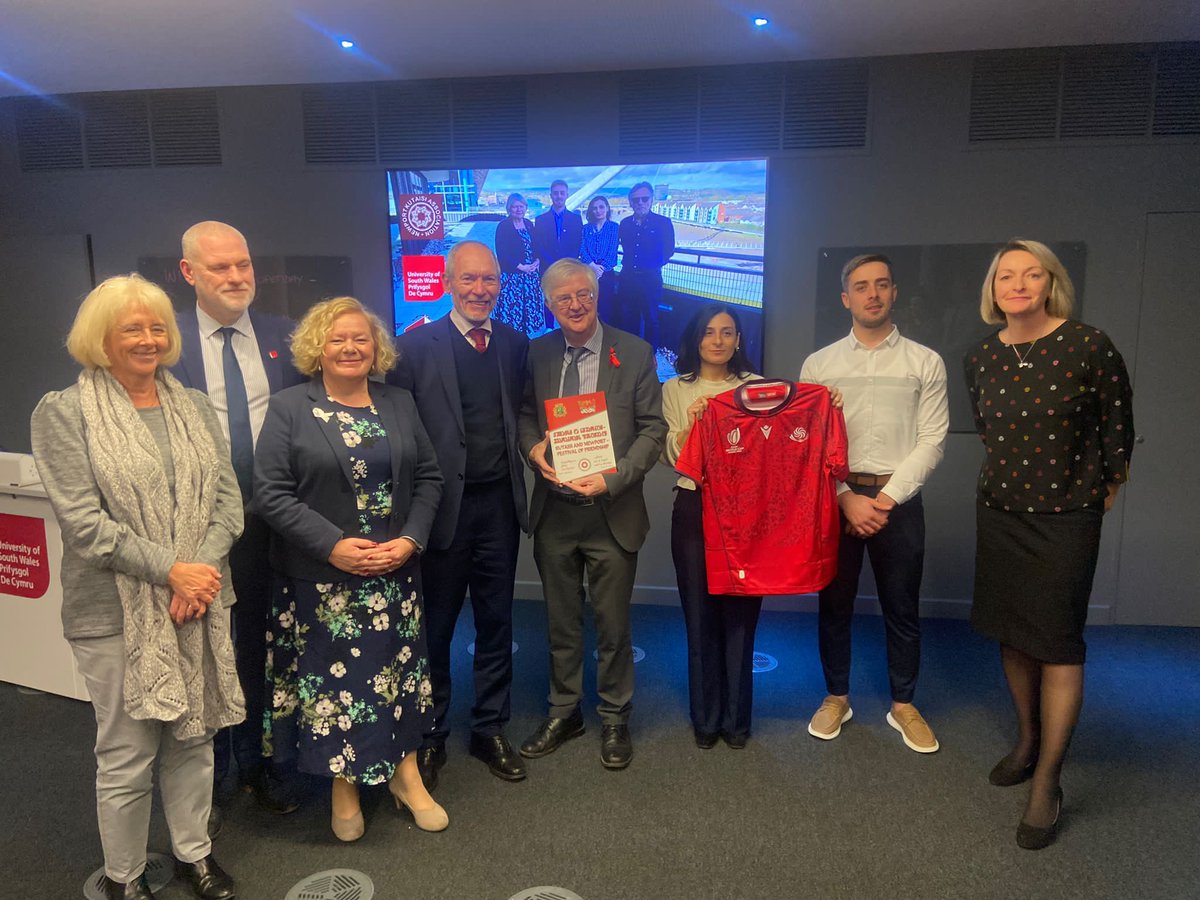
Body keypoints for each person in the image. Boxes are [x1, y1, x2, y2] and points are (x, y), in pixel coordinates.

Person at [31, 274, 242, 900]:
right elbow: (84, 523)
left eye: (157, 328)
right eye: (132, 329)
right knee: (127, 751)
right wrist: (170, 570)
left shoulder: (195, 405)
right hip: (112, 610)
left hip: (200, 598)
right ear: (101, 338)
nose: (148, 339)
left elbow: (228, 503)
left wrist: (196, 574)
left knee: (195, 735)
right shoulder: (64, 412)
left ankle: (193, 855)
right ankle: (124, 877)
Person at [254, 297, 446, 842]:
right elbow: (270, 492)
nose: (350, 347)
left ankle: (406, 775)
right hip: (323, 580)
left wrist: (410, 539)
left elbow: (430, 479)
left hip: (394, 572)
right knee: (340, 689)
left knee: (400, 678)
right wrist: (333, 545)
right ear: (318, 346)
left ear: (376, 347)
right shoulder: (291, 406)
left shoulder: (400, 401)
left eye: (361, 338)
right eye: (337, 338)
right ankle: (344, 786)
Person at [964, 239, 1133, 850]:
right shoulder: (981, 356)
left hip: (1066, 516)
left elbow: (1119, 428)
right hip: (1002, 512)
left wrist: (1100, 490)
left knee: (1058, 643)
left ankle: (1048, 779)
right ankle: (1028, 739)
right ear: (993, 289)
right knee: (1014, 632)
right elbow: (990, 430)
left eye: (1031, 273)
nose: (1018, 283)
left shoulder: (1089, 345)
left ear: (1050, 283)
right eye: (1005, 275)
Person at [174, 220, 305, 822]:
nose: (235, 277)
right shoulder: (165, 345)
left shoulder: (285, 338)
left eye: (243, 265)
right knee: (203, 651)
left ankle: (258, 762)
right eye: (221, 267)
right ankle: (213, 770)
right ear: (189, 274)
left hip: (270, 525)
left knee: (261, 647)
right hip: (193, 531)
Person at [389, 241, 530, 788]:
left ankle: (490, 728)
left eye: (489, 280)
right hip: (440, 510)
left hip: (498, 506)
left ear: (500, 283)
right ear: (448, 282)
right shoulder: (414, 347)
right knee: (436, 629)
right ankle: (430, 735)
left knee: (498, 624)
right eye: (468, 280)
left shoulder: (515, 344)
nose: (479, 290)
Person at [518, 258, 666, 770]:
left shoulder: (636, 351)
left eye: (583, 294)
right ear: (549, 304)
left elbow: (653, 430)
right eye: (564, 298)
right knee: (560, 623)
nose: (576, 305)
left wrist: (614, 477)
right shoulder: (535, 353)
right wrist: (532, 449)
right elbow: (521, 415)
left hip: (611, 510)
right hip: (555, 512)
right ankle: (565, 711)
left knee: (612, 626)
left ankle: (614, 717)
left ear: (597, 294)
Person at [800, 254, 949, 754]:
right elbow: (810, 443)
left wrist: (882, 501)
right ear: (846, 298)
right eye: (861, 286)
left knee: (902, 608)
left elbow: (932, 440)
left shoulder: (924, 362)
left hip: (898, 500)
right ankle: (836, 697)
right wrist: (846, 499)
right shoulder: (819, 365)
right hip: (835, 499)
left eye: (882, 284)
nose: (872, 294)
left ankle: (903, 704)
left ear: (894, 292)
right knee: (833, 605)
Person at [660, 304, 761, 749]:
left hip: (746, 512)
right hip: (695, 505)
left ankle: (737, 723)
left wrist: (828, 400)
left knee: (740, 618)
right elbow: (671, 453)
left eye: (727, 332)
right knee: (699, 616)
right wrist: (696, 424)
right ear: (695, 338)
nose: (717, 340)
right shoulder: (675, 389)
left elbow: (775, 445)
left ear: (739, 339)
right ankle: (706, 721)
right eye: (708, 332)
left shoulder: (758, 388)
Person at [617, 181, 675, 348]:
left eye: (644, 198)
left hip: (650, 280)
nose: (640, 203)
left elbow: (669, 250)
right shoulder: (625, 224)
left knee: (652, 318)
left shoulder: (663, 223)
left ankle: (650, 355)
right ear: (630, 202)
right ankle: (632, 351)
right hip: (627, 279)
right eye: (636, 200)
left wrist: (652, 265)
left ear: (651, 200)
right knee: (628, 317)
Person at [533, 179, 583, 328]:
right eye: (556, 193)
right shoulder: (540, 220)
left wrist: (565, 264)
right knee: (549, 299)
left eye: (562, 193)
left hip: (568, 269)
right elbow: (539, 245)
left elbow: (577, 243)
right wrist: (553, 264)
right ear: (551, 196)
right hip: (547, 268)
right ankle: (549, 329)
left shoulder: (576, 219)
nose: (559, 196)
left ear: (567, 195)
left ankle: (567, 327)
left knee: (568, 298)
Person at [493, 193, 543, 334]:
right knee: (512, 313)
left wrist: (537, 261)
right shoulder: (503, 226)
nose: (518, 209)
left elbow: (536, 245)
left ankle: (527, 339)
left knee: (529, 312)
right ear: (509, 208)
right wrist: (521, 267)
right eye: (514, 207)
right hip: (512, 277)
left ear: (525, 207)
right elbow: (502, 253)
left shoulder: (528, 223)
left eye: (521, 206)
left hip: (530, 276)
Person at [578, 195, 620, 323]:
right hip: (587, 274)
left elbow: (612, 252)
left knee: (605, 308)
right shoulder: (586, 228)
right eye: (595, 208)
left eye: (601, 207)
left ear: (607, 208)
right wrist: (592, 266)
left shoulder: (614, 227)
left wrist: (599, 272)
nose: (598, 211)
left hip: (606, 275)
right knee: (587, 308)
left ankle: (604, 338)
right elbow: (582, 249)